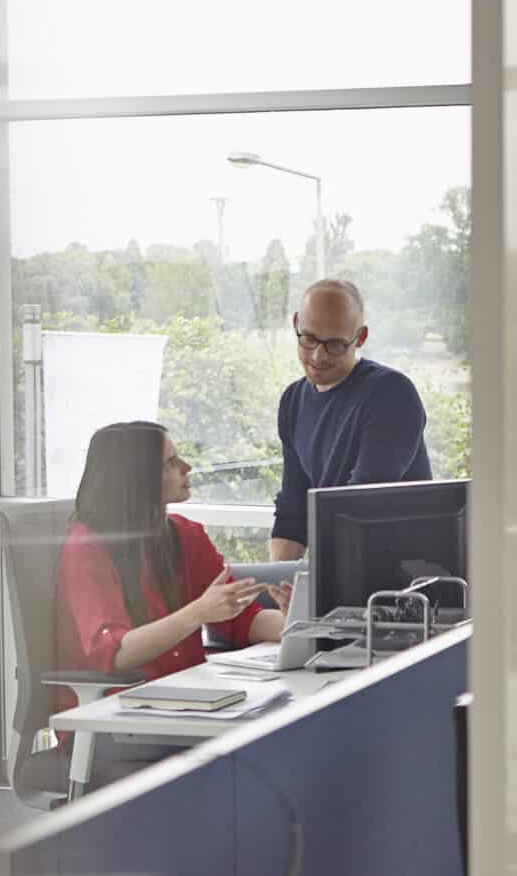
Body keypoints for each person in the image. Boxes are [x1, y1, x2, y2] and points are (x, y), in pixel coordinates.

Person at [55, 421, 288, 724]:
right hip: (117, 715)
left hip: (189, 701)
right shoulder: (87, 547)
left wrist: (295, 622)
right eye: (170, 463)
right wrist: (197, 613)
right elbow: (114, 654)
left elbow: (241, 620)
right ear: (137, 478)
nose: (187, 467)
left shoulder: (186, 535)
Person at [266, 279, 432, 562]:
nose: (318, 355)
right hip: (342, 568)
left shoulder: (391, 394)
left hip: (404, 579)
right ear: (295, 323)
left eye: (335, 344)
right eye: (308, 338)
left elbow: (361, 507)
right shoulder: (292, 401)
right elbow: (294, 508)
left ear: (361, 337)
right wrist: (279, 584)